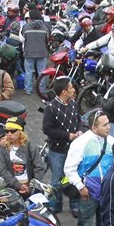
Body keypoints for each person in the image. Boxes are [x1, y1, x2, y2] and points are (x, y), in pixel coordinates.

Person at [64, 111, 114, 226]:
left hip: (106, 192)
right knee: (85, 225)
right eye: (105, 125)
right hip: (88, 193)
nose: (109, 127)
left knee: (103, 224)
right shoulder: (80, 143)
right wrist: (81, 187)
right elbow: (69, 168)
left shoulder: (111, 141)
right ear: (94, 127)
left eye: (108, 123)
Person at [43, 78, 83, 215]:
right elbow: (47, 129)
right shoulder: (51, 108)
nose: (74, 90)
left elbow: (79, 120)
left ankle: (74, 204)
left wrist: (79, 130)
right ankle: (56, 204)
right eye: (71, 87)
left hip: (74, 150)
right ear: (64, 92)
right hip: (57, 151)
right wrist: (67, 136)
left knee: (73, 177)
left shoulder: (73, 103)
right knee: (57, 180)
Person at [0, 119, 44, 195]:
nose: (9, 134)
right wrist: (18, 185)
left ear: (20, 132)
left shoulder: (30, 147)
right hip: (12, 187)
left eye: (12, 131)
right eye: (7, 131)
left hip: (30, 187)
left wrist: (33, 187)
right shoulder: (4, 147)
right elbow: (3, 170)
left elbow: (39, 167)